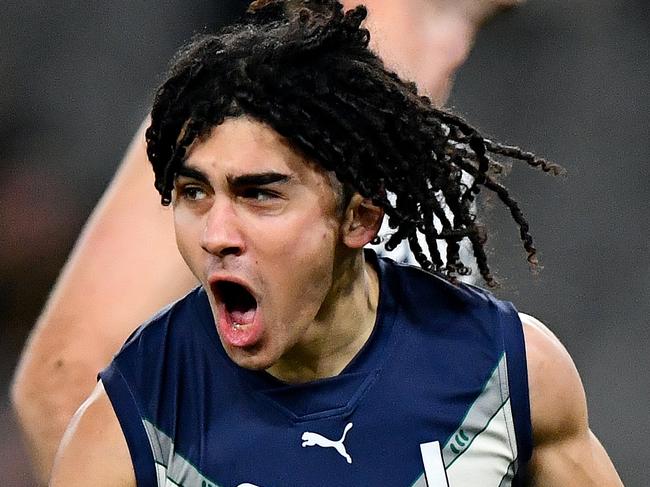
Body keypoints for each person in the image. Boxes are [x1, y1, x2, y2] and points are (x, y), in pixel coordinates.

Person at [49, 2, 622, 486]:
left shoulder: (508, 373)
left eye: (260, 195)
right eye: (193, 192)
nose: (216, 235)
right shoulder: (132, 427)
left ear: (360, 218)